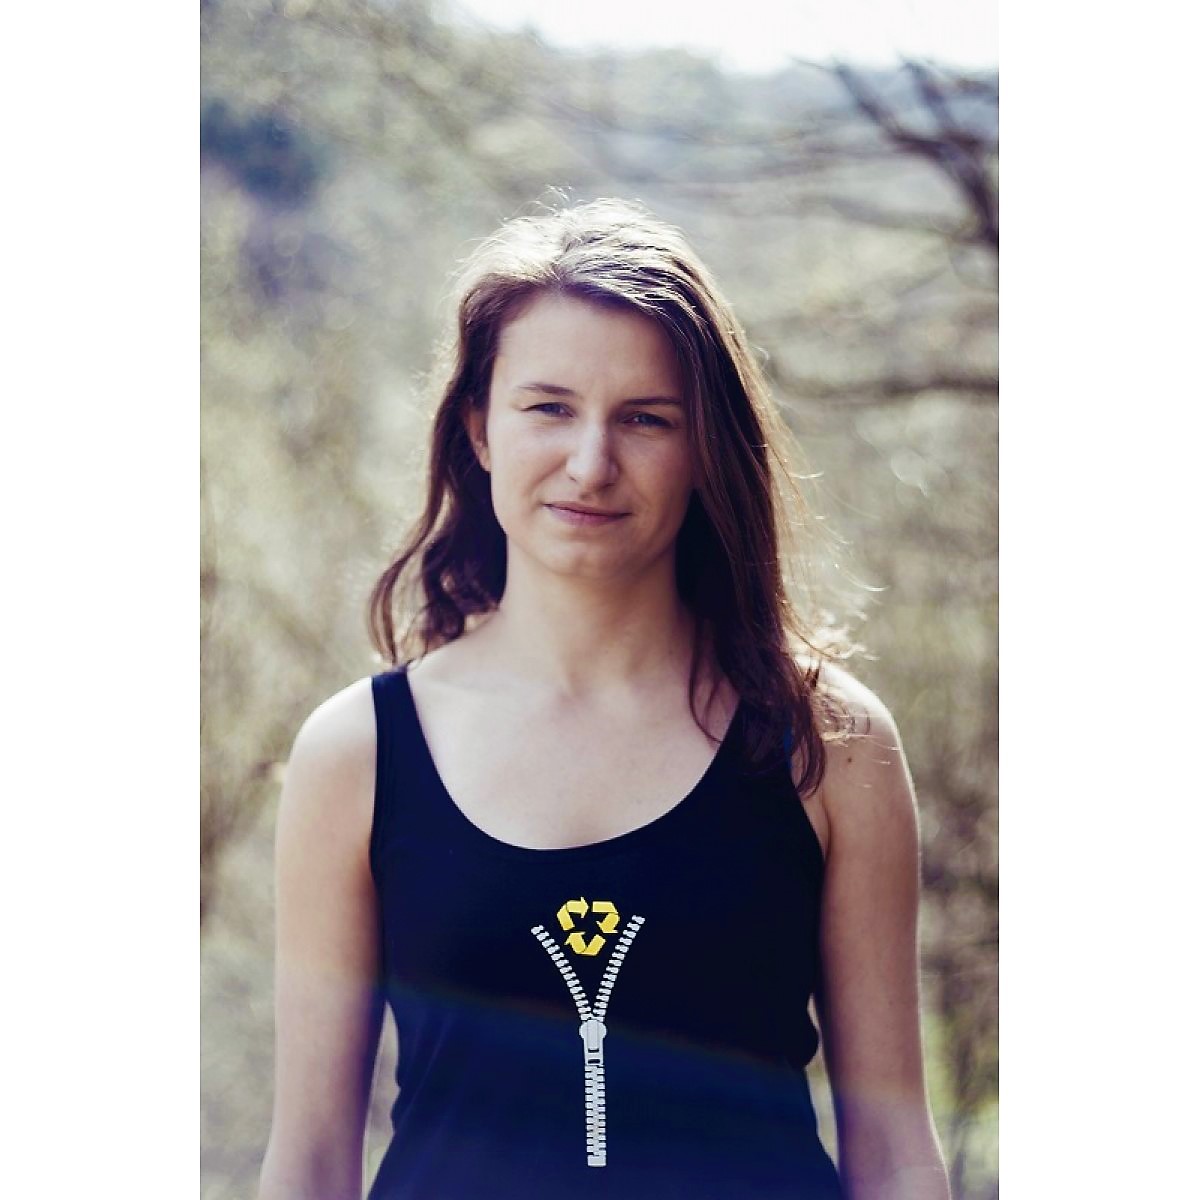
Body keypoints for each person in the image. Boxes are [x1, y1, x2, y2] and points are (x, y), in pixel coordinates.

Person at [258, 199, 952, 1200]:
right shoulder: (358, 753)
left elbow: (894, 1154)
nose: (591, 464)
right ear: (478, 428)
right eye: (548, 408)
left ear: (705, 448)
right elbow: (311, 1160)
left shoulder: (829, 742)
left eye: (645, 418)